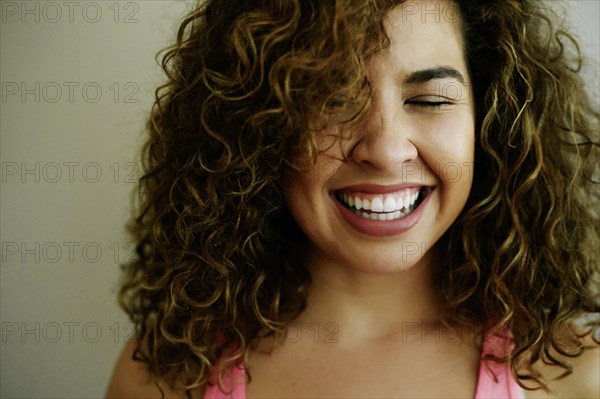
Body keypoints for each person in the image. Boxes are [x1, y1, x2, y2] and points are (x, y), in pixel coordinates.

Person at [106, 0, 599, 398]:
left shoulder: (575, 377)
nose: (385, 151)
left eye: (428, 100)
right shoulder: (162, 380)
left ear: (490, 124)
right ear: (256, 131)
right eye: (333, 99)